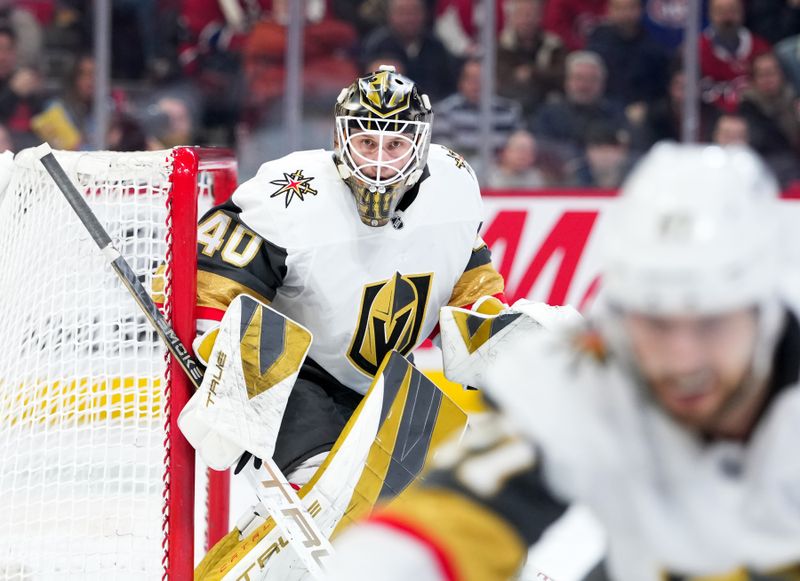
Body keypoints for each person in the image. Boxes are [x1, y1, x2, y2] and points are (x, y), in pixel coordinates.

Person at [326, 142, 800, 581]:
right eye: (656, 322)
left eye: (709, 322)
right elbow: (456, 515)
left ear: (765, 311)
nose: (681, 357)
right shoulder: (591, 366)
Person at [193, 65, 506, 488]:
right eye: (366, 142)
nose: (378, 161)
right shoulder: (292, 192)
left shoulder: (453, 184)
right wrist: (226, 366)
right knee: (331, 496)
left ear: (421, 143)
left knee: (462, 493)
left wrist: (495, 337)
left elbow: (468, 281)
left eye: (395, 144)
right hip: (297, 380)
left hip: (390, 379)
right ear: (341, 139)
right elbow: (216, 280)